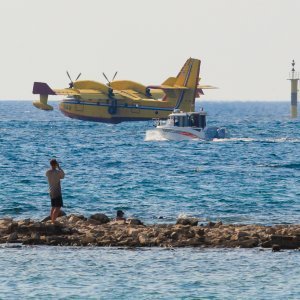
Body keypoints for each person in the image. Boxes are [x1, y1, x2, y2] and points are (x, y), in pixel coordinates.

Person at [45, 159, 65, 223]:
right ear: (56, 164)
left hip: (51, 191)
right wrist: (59, 167)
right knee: (58, 207)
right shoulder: (57, 172)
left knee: (53, 206)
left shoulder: (47, 172)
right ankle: (53, 221)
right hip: (57, 191)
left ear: (50, 164)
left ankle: (51, 220)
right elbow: (63, 176)